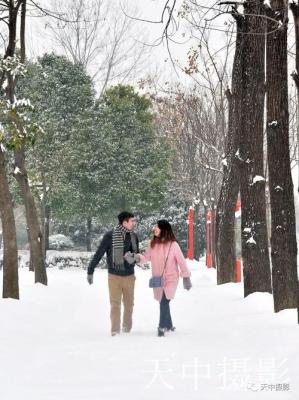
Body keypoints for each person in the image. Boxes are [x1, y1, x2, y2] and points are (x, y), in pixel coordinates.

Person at [130, 219, 192, 337]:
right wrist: (136, 257)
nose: (154, 228)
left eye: (157, 227)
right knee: (163, 301)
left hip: (171, 278)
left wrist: (186, 277)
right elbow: (145, 257)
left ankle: (162, 326)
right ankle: (169, 324)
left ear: (163, 229)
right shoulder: (153, 244)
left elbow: (181, 261)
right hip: (158, 278)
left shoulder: (173, 245)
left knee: (164, 300)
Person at [87, 211, 139, 336]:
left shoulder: (134, 236)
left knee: (129, 304)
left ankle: (127, 329)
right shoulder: (110, 236)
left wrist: (131, 257)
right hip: (114, 276)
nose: (134, 223)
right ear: (125, 222)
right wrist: (91, 270)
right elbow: (99, 253)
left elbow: (137, 255)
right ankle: (115, 331)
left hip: (129, 276)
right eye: (132, 221)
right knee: (115, 305)